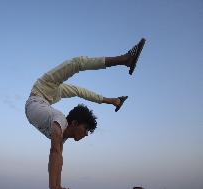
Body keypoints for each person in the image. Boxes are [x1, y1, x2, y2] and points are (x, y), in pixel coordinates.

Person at [25, 38, 146, 189]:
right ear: (74, 123)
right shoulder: (60, 118)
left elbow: (57, 156)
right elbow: (54, 151)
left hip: (41, 102)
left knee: (77, 91)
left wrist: (58, 186)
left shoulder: (62, 126)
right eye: (86, 129)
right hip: (37, 98)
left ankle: (114, 100)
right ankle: (125, 59)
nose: (87, 134)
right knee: (78, 62)